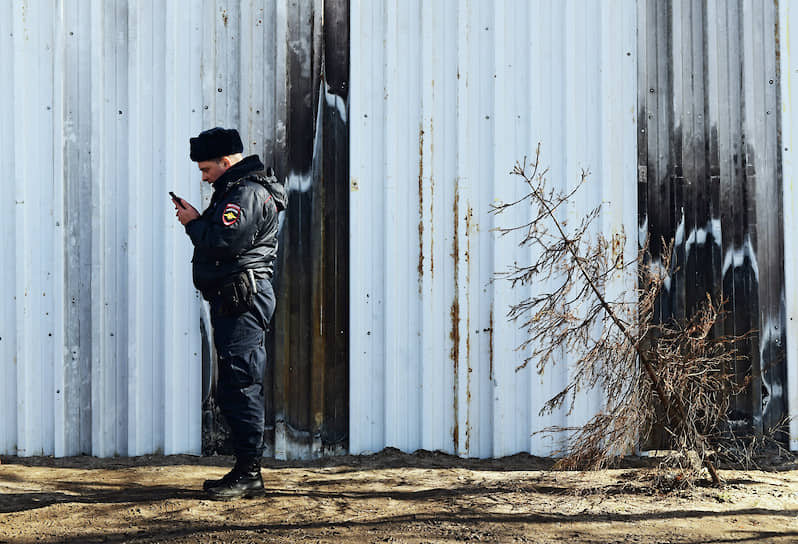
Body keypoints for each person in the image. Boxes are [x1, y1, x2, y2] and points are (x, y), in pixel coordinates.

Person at [173, 127, 286, 500]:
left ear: (226, 162)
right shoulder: (236, 190)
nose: (203, 177)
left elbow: (223, 241)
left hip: (243, 299)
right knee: (235, 384)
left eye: (206, 169)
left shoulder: (247, 192)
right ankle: (243, 469)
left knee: (242, 383)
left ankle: (250, 473)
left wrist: (192, 223)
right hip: (234, 298)